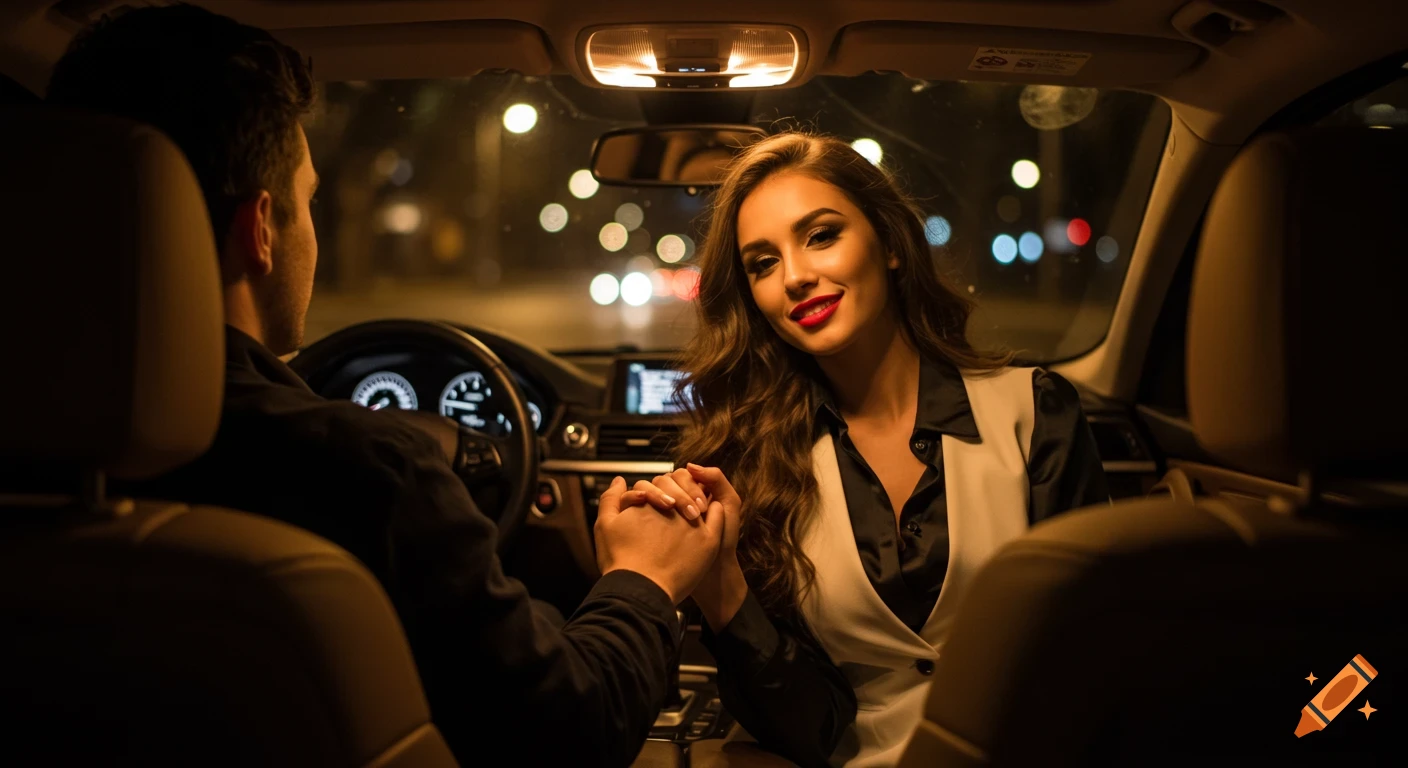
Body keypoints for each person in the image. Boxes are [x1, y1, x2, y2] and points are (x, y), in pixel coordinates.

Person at [44, 5, 724, 766]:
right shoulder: (367, 475)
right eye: (308, 200)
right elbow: (570, 730)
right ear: (260, 229)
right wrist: (644, 577)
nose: (312, 227)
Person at [624, 132, 1111, 767]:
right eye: (763, 263)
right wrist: (720, 585)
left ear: (889, 245)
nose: (795, 277)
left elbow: (1094, 653)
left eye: (821, 235)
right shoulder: (751, 466)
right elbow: (805, 727)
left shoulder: (1036, 411)